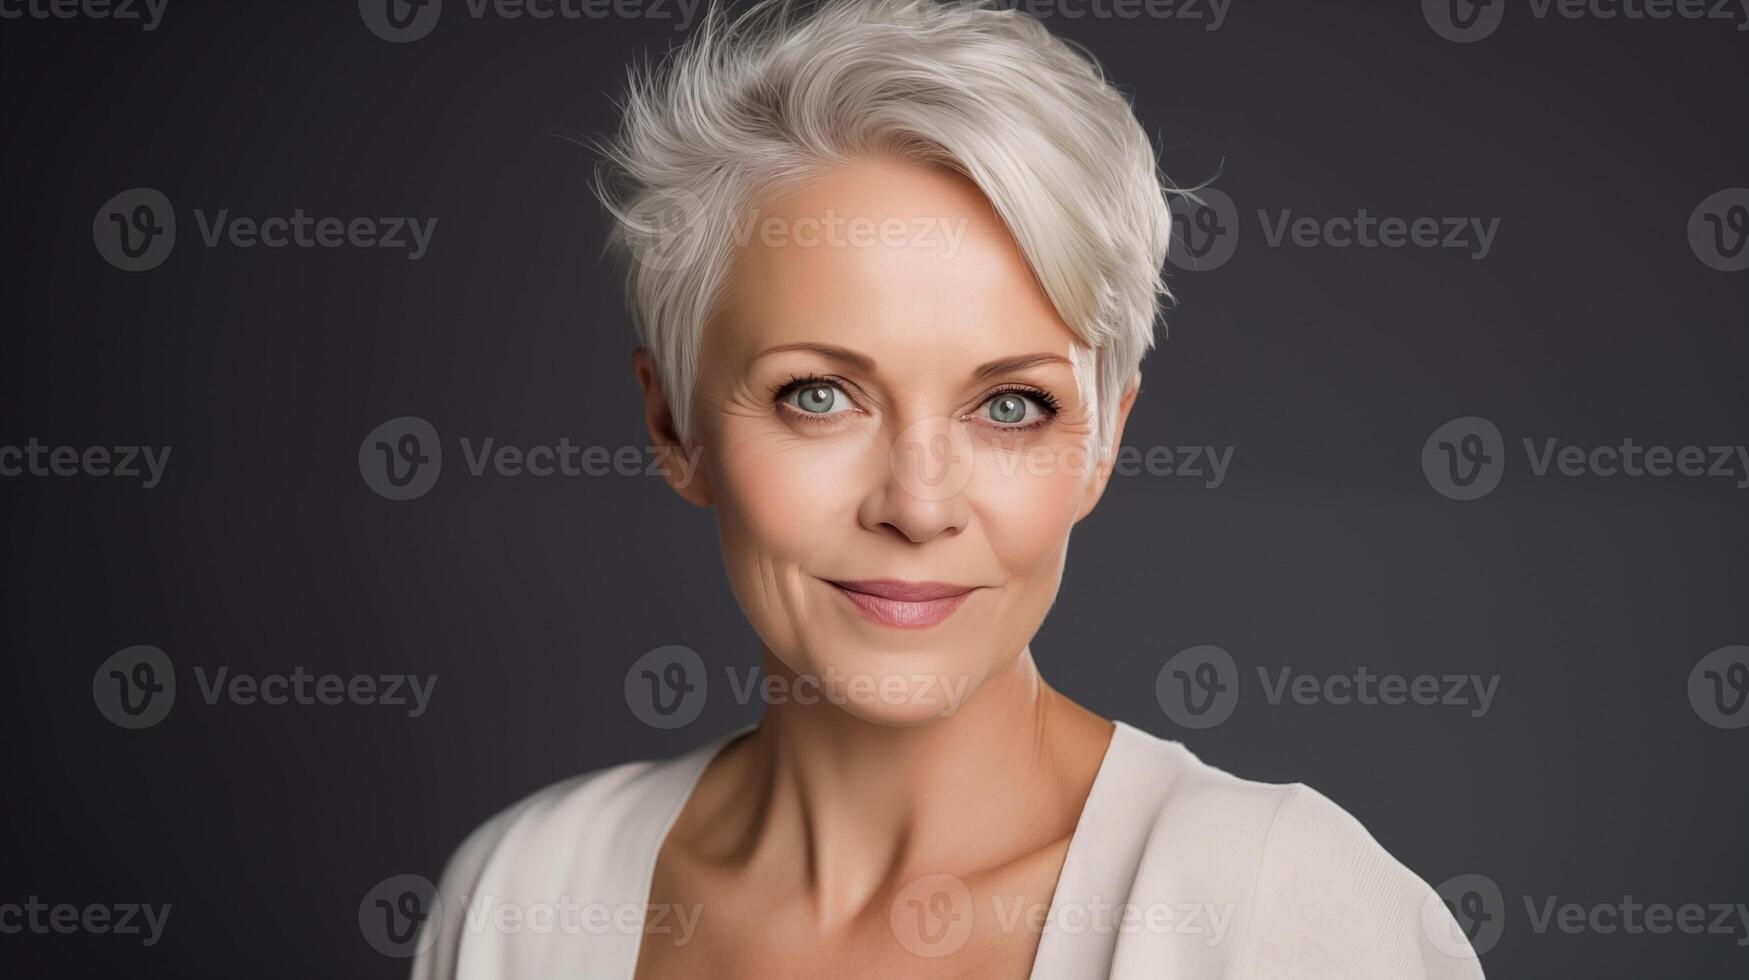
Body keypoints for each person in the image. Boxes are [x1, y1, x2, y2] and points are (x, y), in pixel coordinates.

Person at [413, 1, 1483, 976]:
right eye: (820, 394)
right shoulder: (523, 899)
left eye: (1010, 406)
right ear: (673, 425)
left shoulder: (1277, 913)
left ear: (1105, 441)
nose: (918, 505)